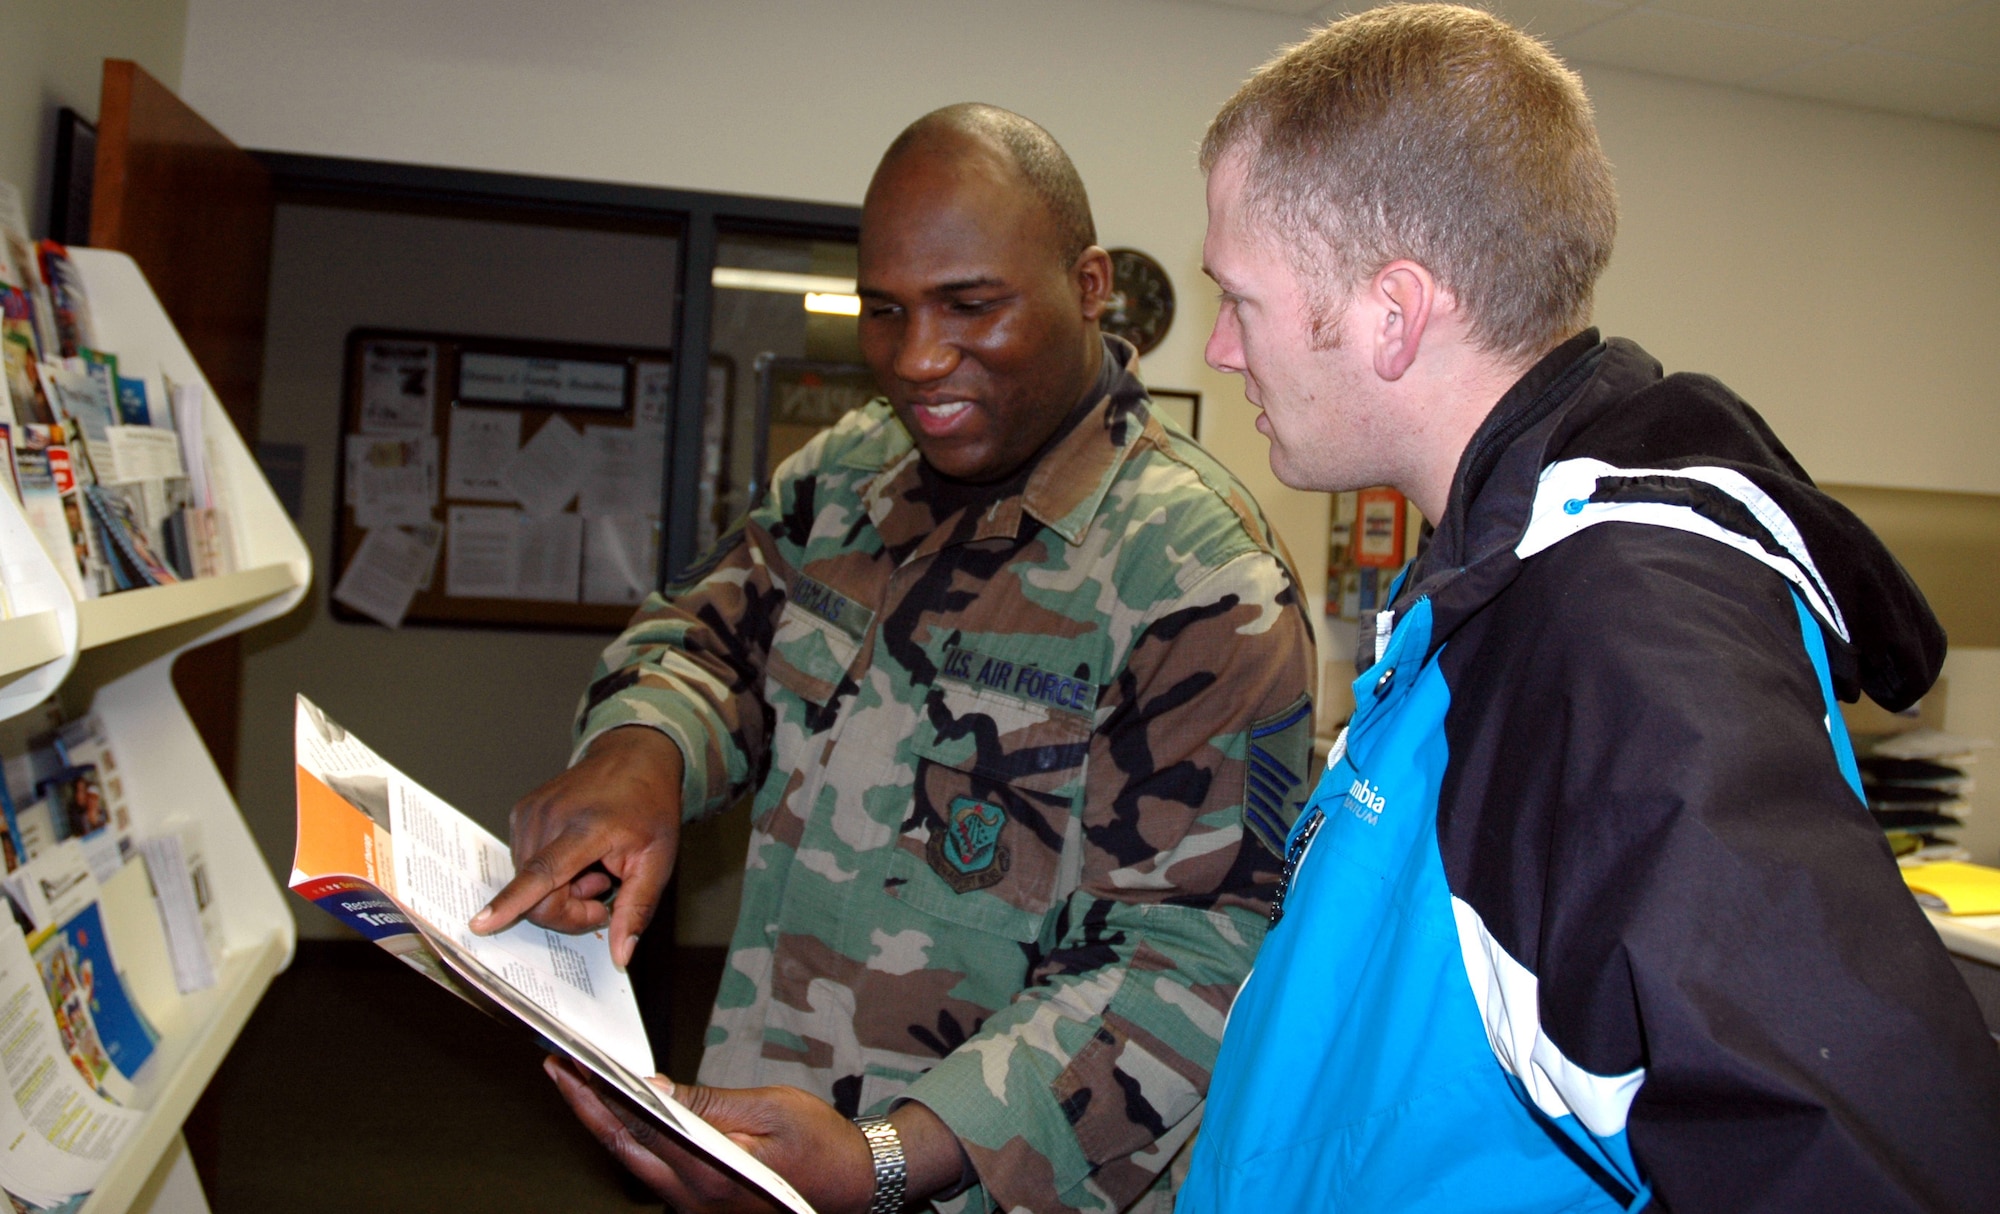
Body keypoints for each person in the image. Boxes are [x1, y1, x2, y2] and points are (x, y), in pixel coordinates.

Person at [1179, 6, 2000, 1212]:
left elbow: (1875, 1160)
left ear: (1391, 316)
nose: (1216, 349)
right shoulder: (1487, 588)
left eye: (1237, 300)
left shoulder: (1611, 626)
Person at [473, 104, 1317, 1214]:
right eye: (884, 310)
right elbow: (703, 634)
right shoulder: (850, 470)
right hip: (758, 1140)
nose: (916, 359)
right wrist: (644, 750)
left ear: (1090, 284)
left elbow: (1188, 964)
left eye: (971, 305)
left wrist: (881, 1162)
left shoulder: (1199, 578)